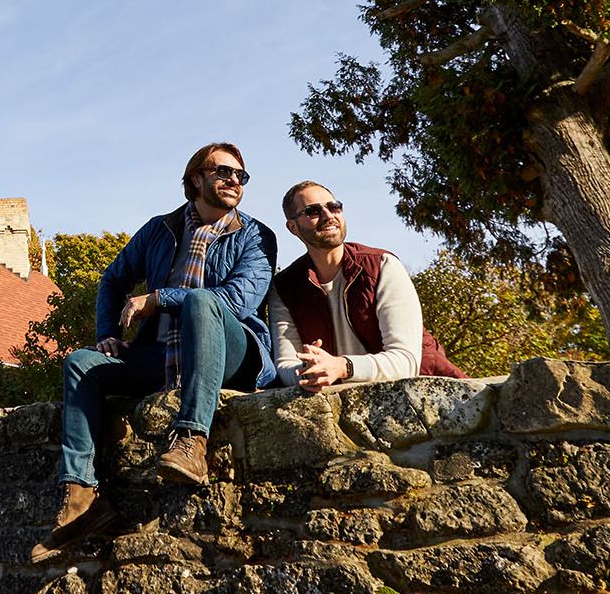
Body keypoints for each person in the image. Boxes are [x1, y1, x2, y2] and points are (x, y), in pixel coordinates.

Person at [30, 143, 277, 563]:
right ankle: (83, 497)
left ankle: (191, 441)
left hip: (233, 354)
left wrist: (160, 297)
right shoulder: (160, 230)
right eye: (224, 172)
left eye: (241, 175)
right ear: (196, 178)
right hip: (158, 353)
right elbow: (112, 279)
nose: (235, 180)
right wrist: (107, 333)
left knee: (203, 302)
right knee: (80, 364)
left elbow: (237, 301)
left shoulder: (256, 236)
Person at [267, 180, 466, 390]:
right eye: (312, 211)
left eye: (334, 206)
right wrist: (311, 372)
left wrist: (342, 366)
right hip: (342, 405)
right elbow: (285, 364)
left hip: (425, 396)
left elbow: (406, 360)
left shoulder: (382, 265)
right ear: (293, 227)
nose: (328, 216)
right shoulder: (284, 287)